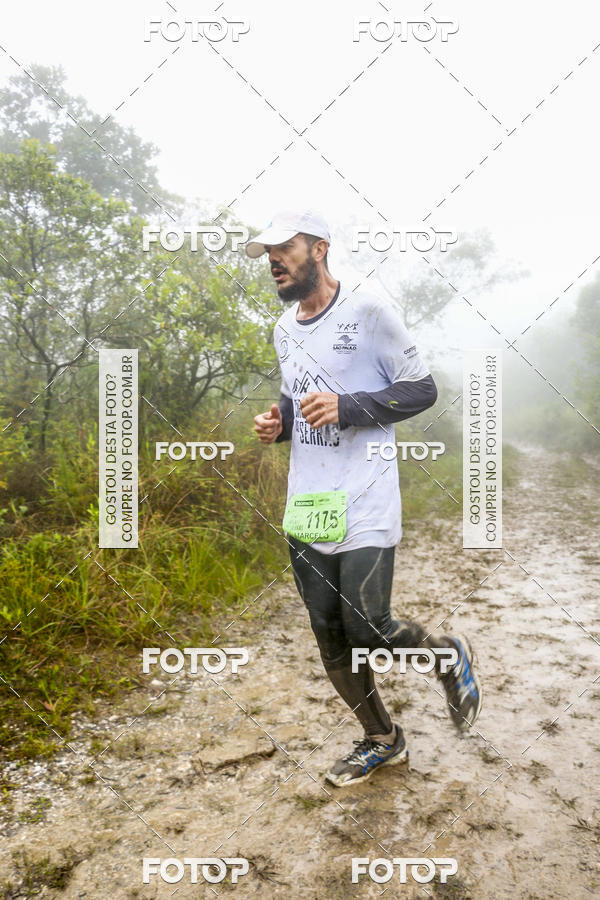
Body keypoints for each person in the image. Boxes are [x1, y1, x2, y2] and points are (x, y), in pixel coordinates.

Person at [249, 210, 481, 787]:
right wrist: (278, 423)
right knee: (329, 634)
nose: (274, 260)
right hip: (307, 501)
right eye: (267, 253)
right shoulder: (283, 329)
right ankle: (383, 739)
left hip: (367, 496)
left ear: (320, 249)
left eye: (285, 247)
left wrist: (349, 407)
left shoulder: (369, 311)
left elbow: (422, 389)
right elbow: (294, 395)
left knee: (367, 626)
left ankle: (444, 653)